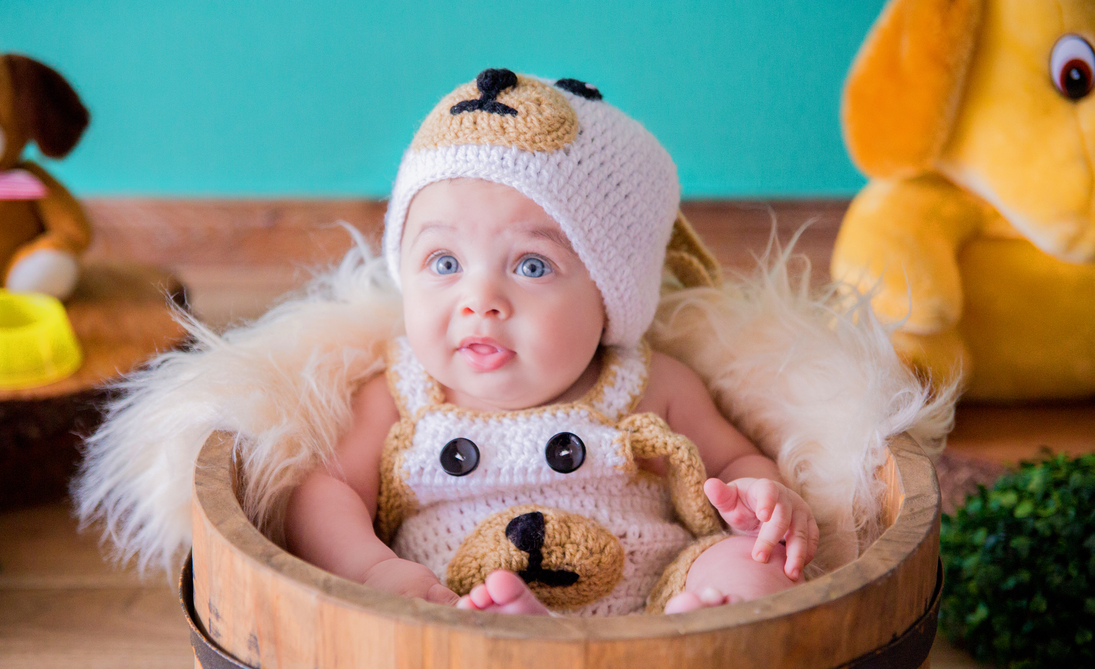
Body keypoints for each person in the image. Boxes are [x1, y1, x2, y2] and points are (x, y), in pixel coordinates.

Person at [283, 69, 819, 616]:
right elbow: (325, 493)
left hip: (651, 614)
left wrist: (760, 497)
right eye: (445, 263)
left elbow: (733, 460)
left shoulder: (652, 384)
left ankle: (706, 634)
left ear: (610, 297)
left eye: (532, 265)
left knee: (752, 563)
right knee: (446, 628)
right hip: (458, 607)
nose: (480, 300)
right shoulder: (399, 396)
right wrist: (374, 569)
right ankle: (518, 638)